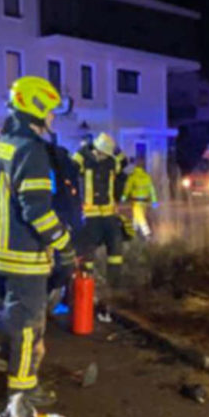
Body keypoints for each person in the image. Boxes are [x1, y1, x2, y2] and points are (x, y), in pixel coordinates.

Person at [0, 77, 75, 417]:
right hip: (24, 255)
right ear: (36, 107)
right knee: (28, 325)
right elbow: (36, 210)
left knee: (14, 317)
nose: (52, 118)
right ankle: (22, 392)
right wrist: (63, 244)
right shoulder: (30, 150)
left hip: (0, 253)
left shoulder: (1, 145)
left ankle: (8, 367)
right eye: (50, 111)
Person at [72, 132, 126, 322]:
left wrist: (116, 150)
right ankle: (88, 291)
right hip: (91, 215)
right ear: (95, 150)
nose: (104, 157)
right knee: (87, 254)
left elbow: (123, 163)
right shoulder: (82, 159)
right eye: (102, 153)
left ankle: (113, 290)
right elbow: (70, 168)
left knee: (116, 252)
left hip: (109, 214)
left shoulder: (112, 161)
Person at [122, 155, 157, 240]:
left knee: (140, 218)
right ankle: (133, 234)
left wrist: (123, 197)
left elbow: (127, 188)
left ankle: (147, 234)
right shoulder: (146, 176)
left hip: (136, 201)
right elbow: (151, 189)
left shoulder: (132, 177)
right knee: (136, 217)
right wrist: (154, 201)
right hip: (144, 201)